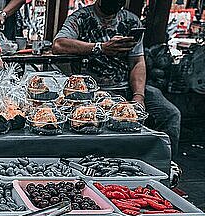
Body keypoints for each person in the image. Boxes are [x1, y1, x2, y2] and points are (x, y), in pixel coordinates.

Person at [52, 0, 182, 179]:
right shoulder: (81, 18)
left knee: (170, 114)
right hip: (92, 92)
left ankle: (166, 168)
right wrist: (100, 48)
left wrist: (138, 96)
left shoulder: (131, 21)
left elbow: (137, 61)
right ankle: (102, 170)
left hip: (126, 86)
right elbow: (58, 45)